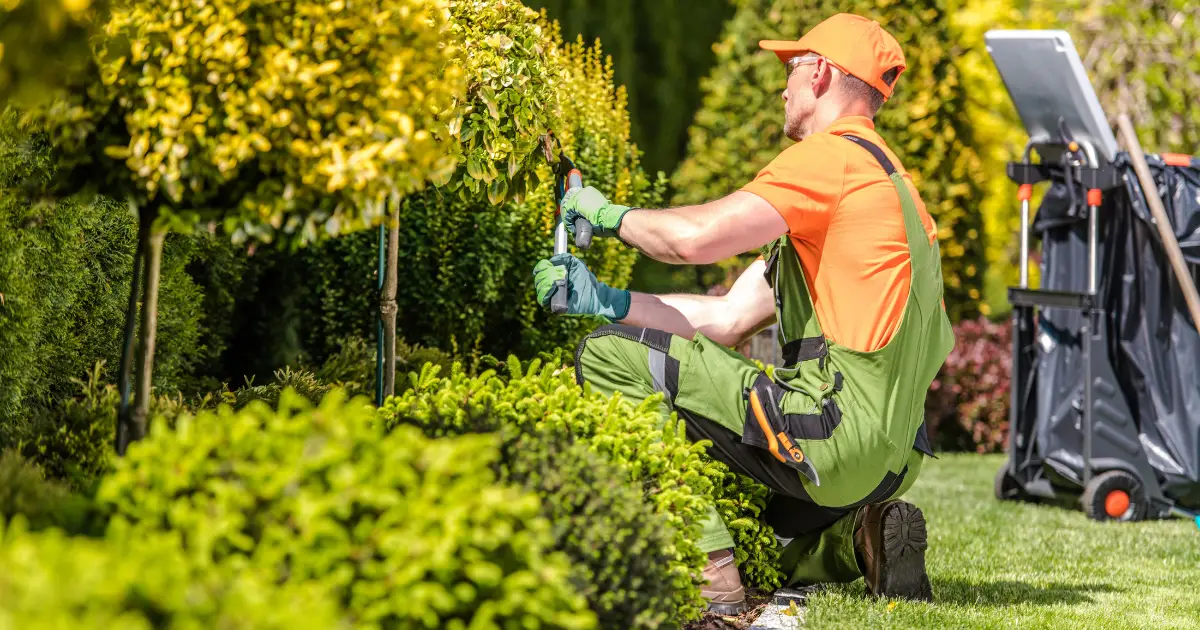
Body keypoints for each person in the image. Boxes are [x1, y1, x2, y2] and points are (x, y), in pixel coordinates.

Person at [531, 13, 954, 614]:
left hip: (832, 434)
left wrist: (607, 215)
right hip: (890, 460)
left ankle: (709, 577)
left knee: (605, 355)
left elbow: (692, 240)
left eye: (792, 68)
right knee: (750, 523)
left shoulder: (830, 160)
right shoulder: (891, 189)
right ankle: (856, 542)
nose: (782, 85)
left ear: (823, 74)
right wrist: (606, 300)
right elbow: (727, 318)